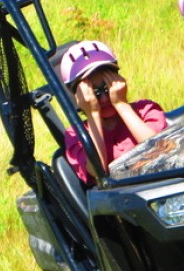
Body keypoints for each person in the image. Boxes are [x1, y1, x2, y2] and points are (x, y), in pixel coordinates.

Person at [59, 40, 167, 184]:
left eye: (107, 88)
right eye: (95, 93)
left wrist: (121, 104)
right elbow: (98, 170)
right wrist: (93, 113)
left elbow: (160, 151)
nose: (104, 99)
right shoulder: (76, 133)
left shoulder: (145, 110)